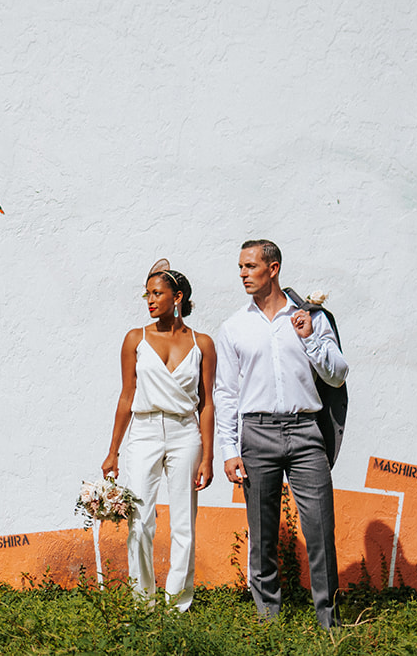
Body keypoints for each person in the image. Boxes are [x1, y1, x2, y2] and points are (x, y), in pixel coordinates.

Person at [214, 239, 349, 627]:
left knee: (321, 529)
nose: (242, 274)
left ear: (273, 269)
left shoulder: (310, 318)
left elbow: (337, 375)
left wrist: (309, 337)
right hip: (256, 434)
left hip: (307, 434)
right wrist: (229, 448)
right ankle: (269, 622)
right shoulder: (234, 327)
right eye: (240, 267)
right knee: (263, 536)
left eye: (250, 266)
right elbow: (226, 392)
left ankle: (330, 623)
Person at [101, 260, 217, 611]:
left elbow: (208, 403)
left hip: (185, 434)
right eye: (147, 294)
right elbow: (126, 396)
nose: (150, 300)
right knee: (140, 520)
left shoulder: (203, 343)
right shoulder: (135, 338)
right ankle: (143, 602)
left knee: (185, 521)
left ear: (177, 297)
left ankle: (178, 604)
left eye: (157, 293)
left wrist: (208, 456)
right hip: (145, 431)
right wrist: (113, 451)